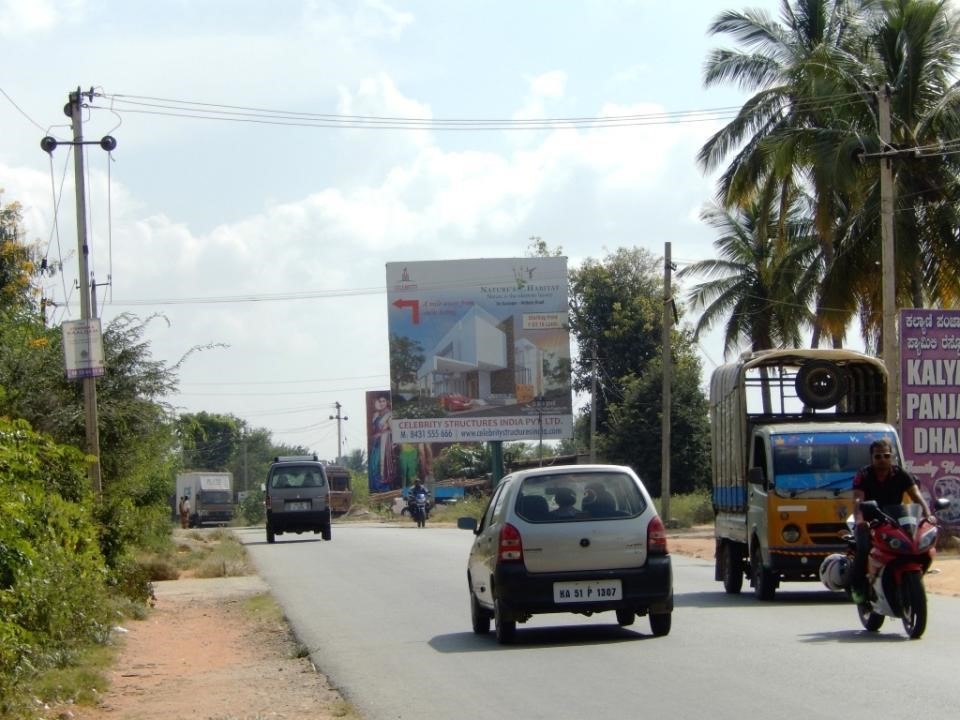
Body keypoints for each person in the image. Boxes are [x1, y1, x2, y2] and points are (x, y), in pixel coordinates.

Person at [850, 439, 935, 602]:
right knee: (863, 549)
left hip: (896, 521)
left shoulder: (901, 474)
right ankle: (859, 587)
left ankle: (909, 581)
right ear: (872, 458)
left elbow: (917, 496)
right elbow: (857, 501)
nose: (882, 459)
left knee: (920, 548)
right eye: (878, 456)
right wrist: (860, 521)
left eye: (886, 456)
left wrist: (928, 514)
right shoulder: (864, 475)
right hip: (870, 521)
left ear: (892, 457)